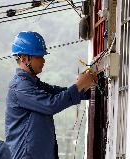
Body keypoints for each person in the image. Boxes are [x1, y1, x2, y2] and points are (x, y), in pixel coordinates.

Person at [5, 31, 97, 159]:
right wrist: (79, 86)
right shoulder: (20, 87)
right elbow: (51, 104)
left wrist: (85, 89)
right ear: (24, 58)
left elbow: (57, 92)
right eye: (39, 56)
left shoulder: (33, 84)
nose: (43, 60)